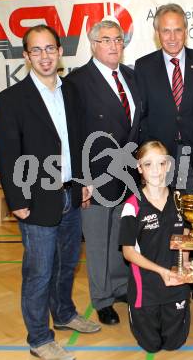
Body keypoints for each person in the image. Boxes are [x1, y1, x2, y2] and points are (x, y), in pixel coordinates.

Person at [0, 25, 100, 360]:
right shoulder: (11, 100)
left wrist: (84, 181)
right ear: (26, 56)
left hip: (71, 193)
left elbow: (80, 140)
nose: (44, 56)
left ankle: (65, 313)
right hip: (36, 199)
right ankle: (39, 338)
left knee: (67, 263)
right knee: (39, 271)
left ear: (59, 51)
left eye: (50, 48)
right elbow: (8, 154)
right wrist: (18, 201)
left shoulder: (70, 91)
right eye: (36, 50)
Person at [65, 20, 141, 326]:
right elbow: (73, 135)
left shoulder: (132, 77)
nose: (113, 45)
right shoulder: (77, 82)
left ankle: (120, 286)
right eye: (106, 39)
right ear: (93, 44)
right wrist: (81, 179)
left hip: (129, 176)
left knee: (122, 236)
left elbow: (138, 124)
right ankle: (102, 299)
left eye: (118, 40)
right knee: (97, 242)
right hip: (95, 177)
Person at [119, 140, 191, 353]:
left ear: (168, 166)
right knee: (151, 346)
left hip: (176, 287)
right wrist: (161, 271)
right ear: (139, 168)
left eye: (161, 163)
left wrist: (185, 265)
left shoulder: (180, 199)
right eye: (148, 164)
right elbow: (128, 252)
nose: (156, 170)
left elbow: (187, 235)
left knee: (173, 345)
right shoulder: (132, 205)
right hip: (146, 290)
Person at [135, 3, 193, 191]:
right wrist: (147, 161)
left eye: (178, 30)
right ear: (157, 33)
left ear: (186, 31)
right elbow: (142, 118)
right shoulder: (143, 67)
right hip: (158, 162)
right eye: (166, 31)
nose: (172, 37)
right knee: (163, 218)